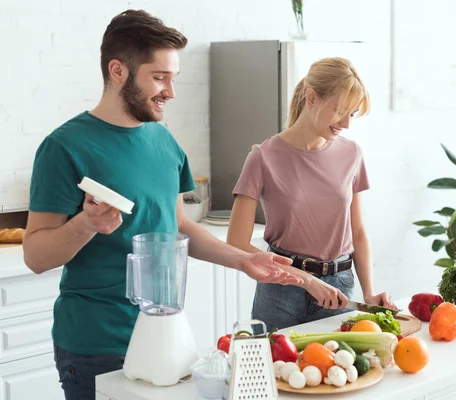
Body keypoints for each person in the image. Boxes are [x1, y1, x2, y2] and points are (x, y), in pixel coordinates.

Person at [23, 10, 300, 400]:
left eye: (173, 78)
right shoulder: (64, 147)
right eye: (159, 77)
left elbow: (178, 226)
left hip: (167, 336)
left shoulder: (163, 141)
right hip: (96, 343)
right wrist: (86, 223)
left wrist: (243, 260)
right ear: (117, 71)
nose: (170, 91)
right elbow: (35, 255)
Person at [226, 57, 397, 332]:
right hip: (280, 291)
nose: (346, 123)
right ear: (312, 98)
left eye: (352, 114)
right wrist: (305, 279)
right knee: (275, 372)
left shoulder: (351, 153)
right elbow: (236, 242)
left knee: (337, 373)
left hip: (339, 290)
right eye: (340, 110)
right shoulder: (263, 157)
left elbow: (359, 231)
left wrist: (369, 293)